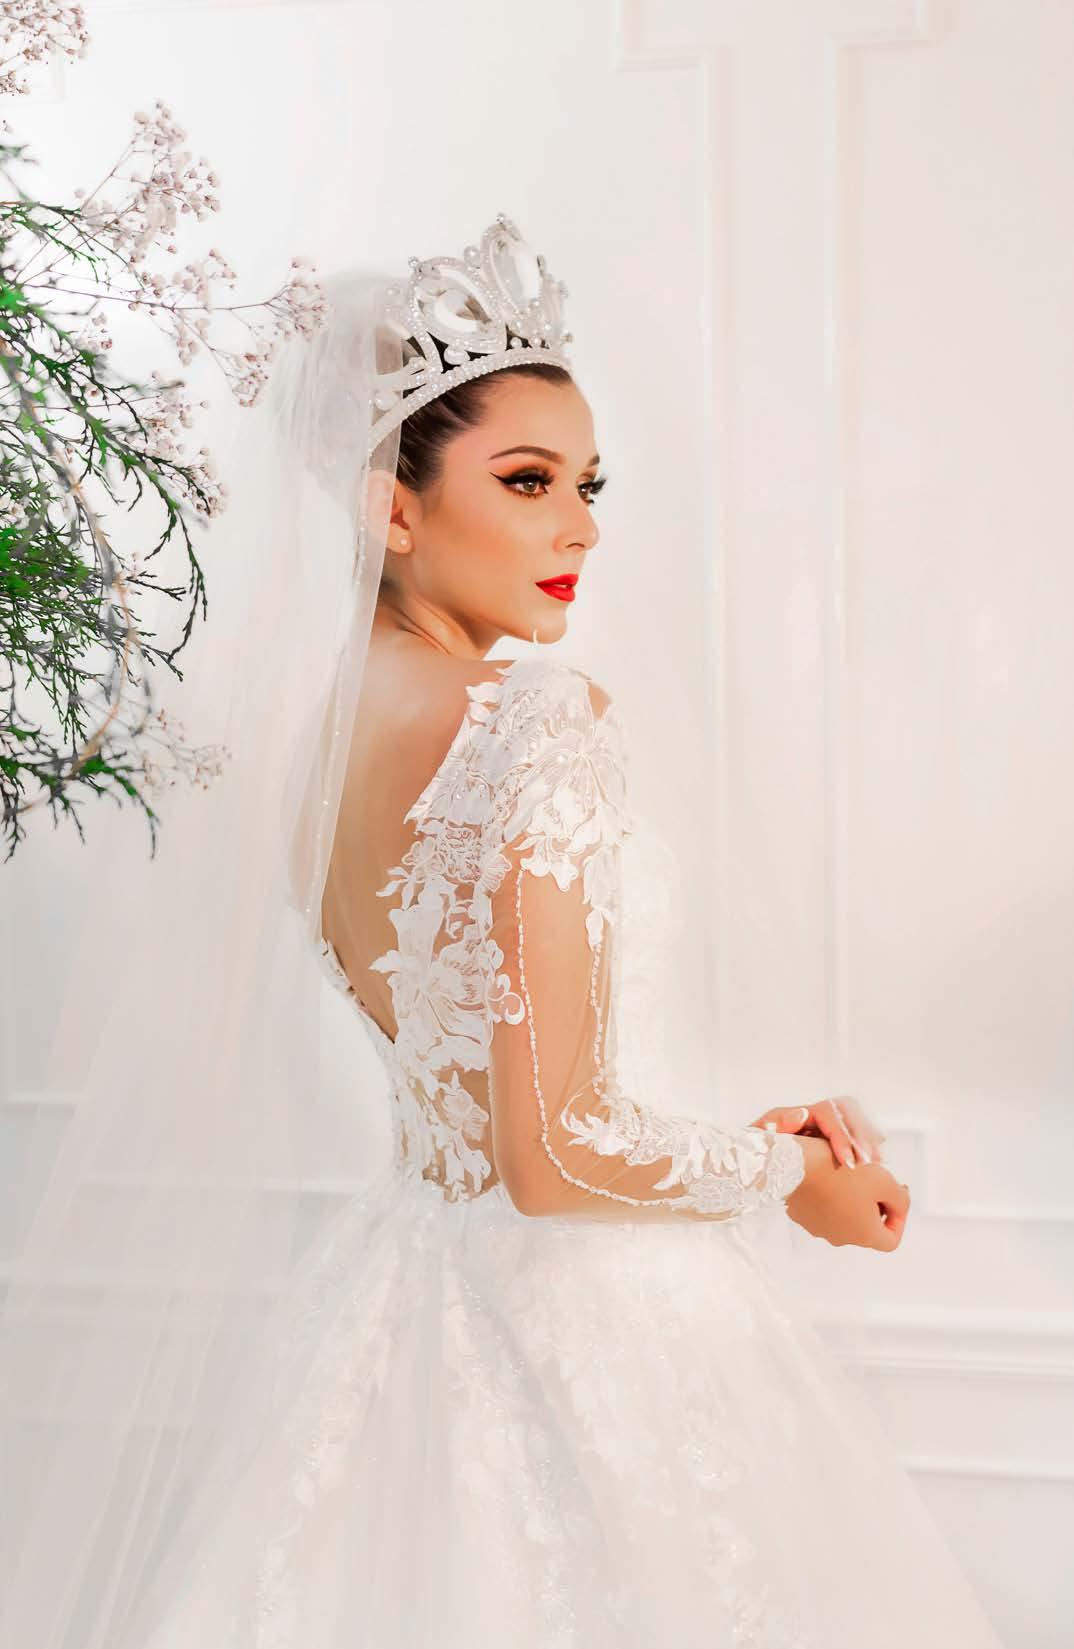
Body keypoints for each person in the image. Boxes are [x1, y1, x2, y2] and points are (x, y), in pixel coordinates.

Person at [0, 214, 1007, 1648]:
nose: (580, 527)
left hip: (402, 1298)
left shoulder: (314, 745)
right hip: (573, 1320)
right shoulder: (534, 723)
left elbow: (488, 1110)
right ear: (390, 507)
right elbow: (554, 1157)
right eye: (527, 481)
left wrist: (728, 1146)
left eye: (588, 485)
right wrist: (794, 1173)